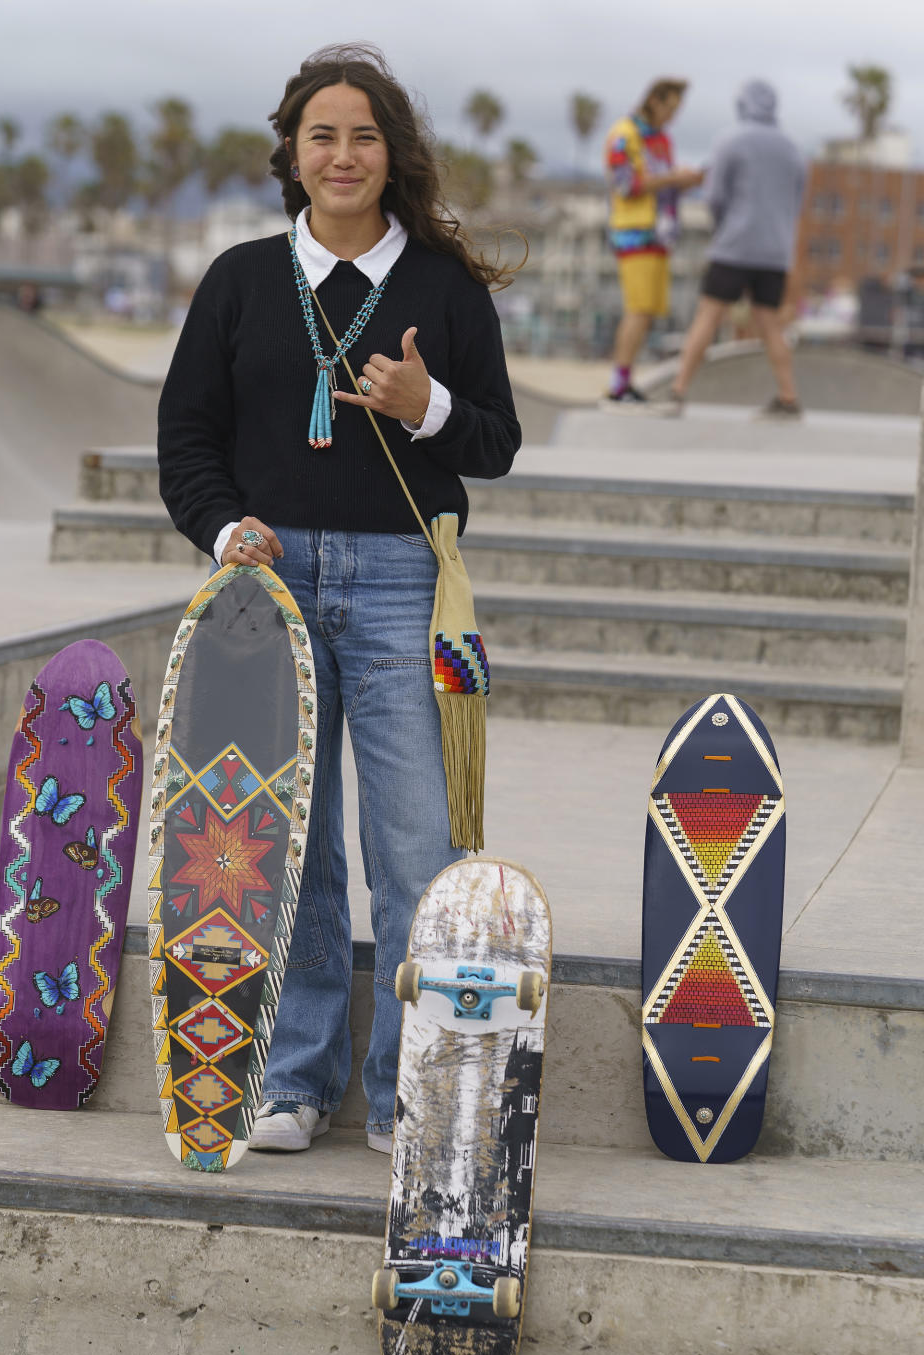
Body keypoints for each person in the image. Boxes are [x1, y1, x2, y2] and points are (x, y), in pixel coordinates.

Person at [157, 45, 521, 1156]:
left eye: (365, 135)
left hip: (405, 581)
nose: (344, 154)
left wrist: (427, 405)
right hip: (267, 593)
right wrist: (227, 532)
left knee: (414, 842)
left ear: (392, 153)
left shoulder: (442, 289)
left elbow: (495, 443)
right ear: (293, 153)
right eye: (324, 134)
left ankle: (410, 1080)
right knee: (291, 845)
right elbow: (188, 442)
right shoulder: (241, 280)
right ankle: (296, 1078)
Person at [668, 79, 807, 416]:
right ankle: (788, 398)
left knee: (708, 316)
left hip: (734, 246)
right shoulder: (793, 148)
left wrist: (725, 225)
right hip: (774, 251)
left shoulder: (730, 139)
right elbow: (797, 201)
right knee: (770, 324)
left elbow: (714, 196)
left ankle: (678, 391)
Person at [604, 78, 704, 402]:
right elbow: (625, 185)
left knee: (647, 311)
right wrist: (674, 177)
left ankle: (625, 379)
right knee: (639, 307)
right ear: (655, 101)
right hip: (635, 233)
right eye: (671, 107)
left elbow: (660, 185)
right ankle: (618, 384)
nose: (674, 115)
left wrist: (686, 182)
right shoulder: (624, 133)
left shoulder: (662, 140)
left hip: (660, 233)